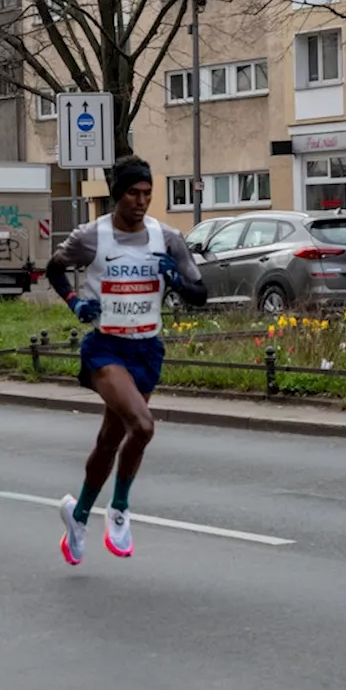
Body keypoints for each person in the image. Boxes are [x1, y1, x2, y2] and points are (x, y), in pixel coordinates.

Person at [44, 155, 208, 565]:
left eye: (148, 194)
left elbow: (200, 294)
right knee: (143, 425)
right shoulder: (92, 236)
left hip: (146, 348)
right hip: (106, 348)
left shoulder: (167, 237)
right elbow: (54, 268)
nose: (141, 201)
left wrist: (175, 281)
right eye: (134, 193)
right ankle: (119, 508)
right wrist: (75, 301)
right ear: (117, 194)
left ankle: (78, 516)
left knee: (109, 440)